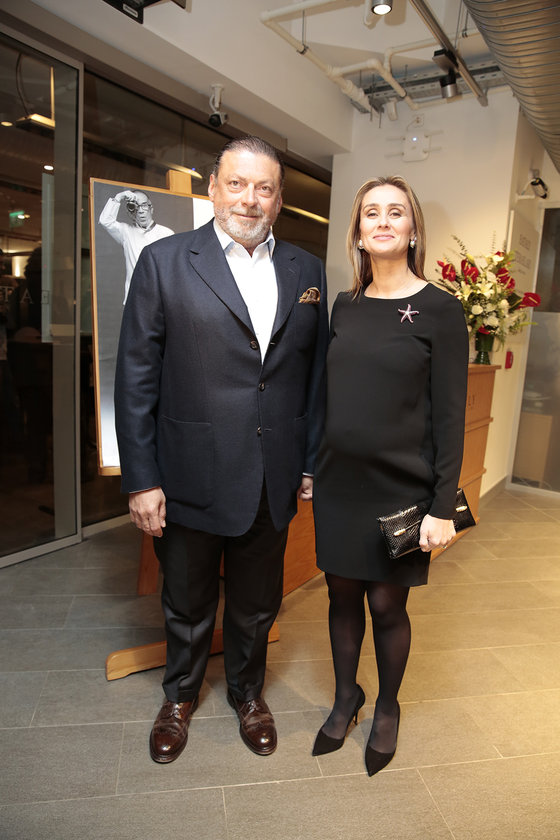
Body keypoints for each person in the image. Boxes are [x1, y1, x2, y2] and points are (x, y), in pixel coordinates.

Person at [114, 136, 328, 764]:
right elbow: (136, 378)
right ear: (213, 188)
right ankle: (179, 697)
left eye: (264, 188)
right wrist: (141, 478)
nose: (249, 199)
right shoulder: (164, 261)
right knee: (186, 601)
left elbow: (315, 375)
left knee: (258, 604)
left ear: (279, 200)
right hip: (188, 472)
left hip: (272, 473)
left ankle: (247, 694)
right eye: (237, 184)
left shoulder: (306, 270)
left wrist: (310, 458)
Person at [312, 175, 468, 776]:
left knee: (386, 603)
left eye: (395, 212)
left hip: (401, 487)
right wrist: (312, 464)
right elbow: (329, 395)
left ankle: (386, 706)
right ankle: (345, 696)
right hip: (339, 484)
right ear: (357, 231)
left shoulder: (440, 309)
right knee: (340, 594)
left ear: (412, 229)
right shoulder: (344, 305)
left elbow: (449, 416)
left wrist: (442, 507)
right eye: (371, 212)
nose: (382, 221)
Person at [99, 189, 174, 303]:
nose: (141, 211)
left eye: (144, 205)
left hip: (159, 300)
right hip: (134, 299)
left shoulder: (167, 233)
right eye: (136, 207)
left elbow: (173, 269)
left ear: (151, 208)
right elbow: (105, 221)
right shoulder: (126, 232)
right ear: (131, 212)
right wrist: (119, 197)